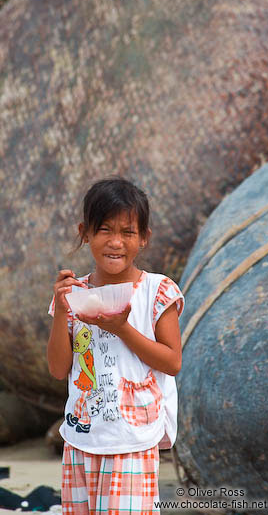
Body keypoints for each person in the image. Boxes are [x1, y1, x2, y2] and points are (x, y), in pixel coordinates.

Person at [47, 177, 185, 514]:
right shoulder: (74, 294)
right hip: (81, 440)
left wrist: (123, 329)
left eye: (128, 232)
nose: (116, 242)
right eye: (105, 230)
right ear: (85, 233)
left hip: (132, 443)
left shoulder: (157, 291)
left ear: (143, 239)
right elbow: (57, 369)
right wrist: (61, 309)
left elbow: (172, 362)